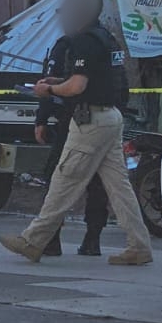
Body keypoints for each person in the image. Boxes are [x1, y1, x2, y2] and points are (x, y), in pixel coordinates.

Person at [0, 0, 152, 266]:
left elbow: (78, 86)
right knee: (119, 188)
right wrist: (58, 83)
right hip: (111, 117)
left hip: (90, 120)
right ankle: (139, 245)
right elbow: (95, 79)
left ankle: (33, 240)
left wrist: (48, 91)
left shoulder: (83, 41)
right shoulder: (106, 38)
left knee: (64, 180)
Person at [34, 33, 110, 257]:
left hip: (74, 119)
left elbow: (68, 84)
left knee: (58, 177)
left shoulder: (71, 43)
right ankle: (94, 238)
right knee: (101, 181)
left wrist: (42, 118)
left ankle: (50, 238)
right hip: (107, 118)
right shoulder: (107, 40)